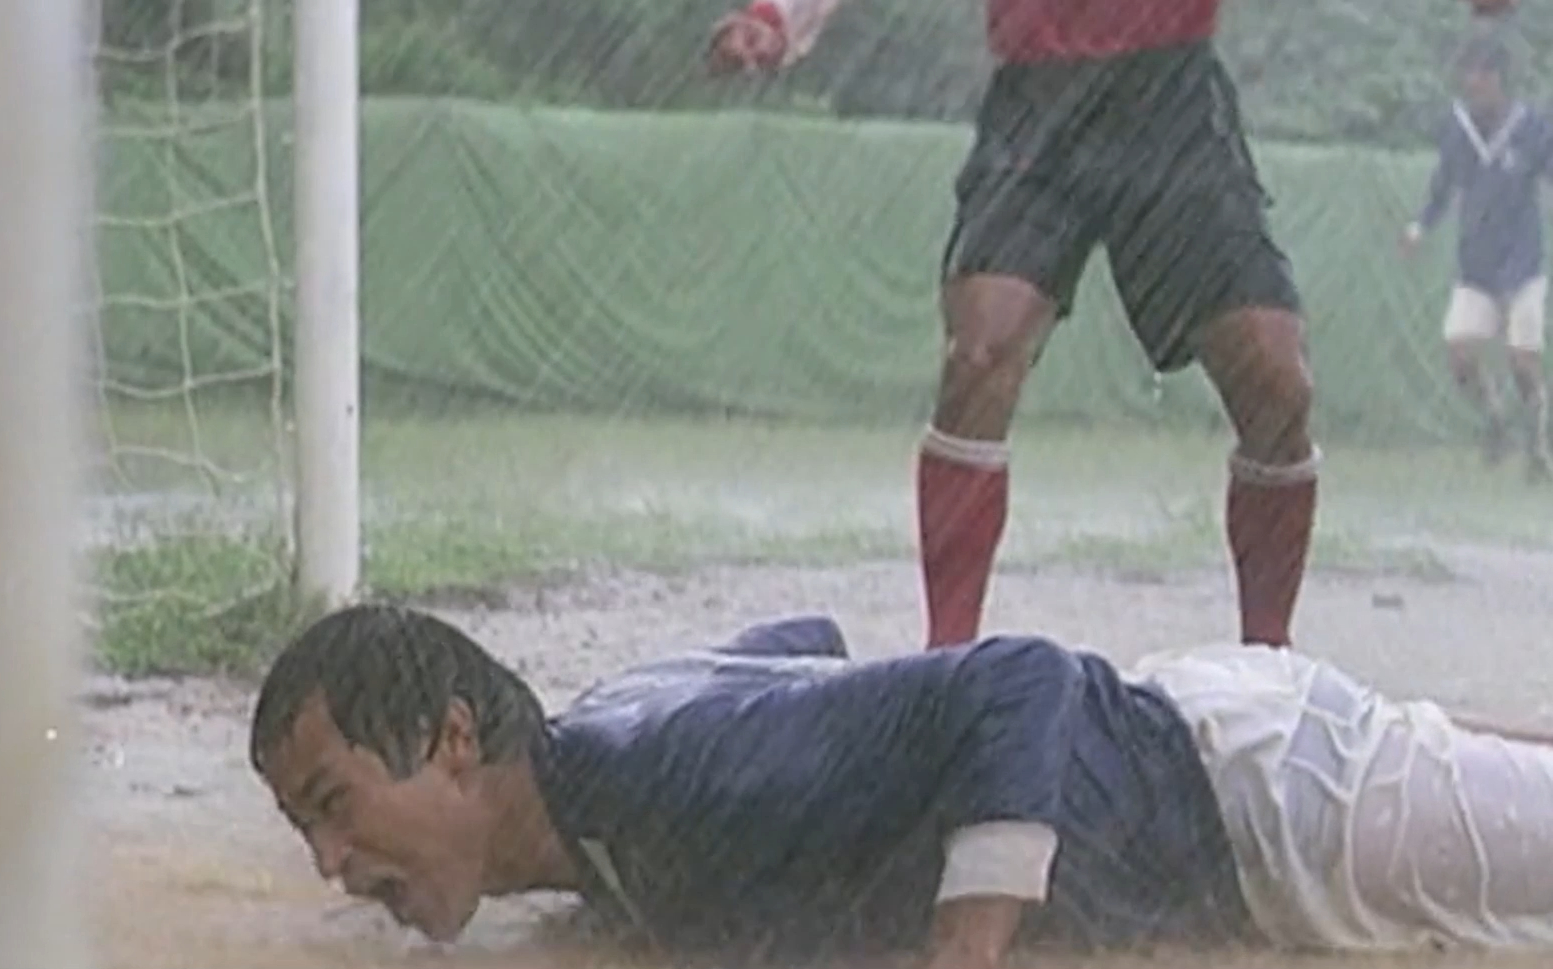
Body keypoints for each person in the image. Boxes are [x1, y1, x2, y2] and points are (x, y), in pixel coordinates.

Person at [251, 604, 1553, 968]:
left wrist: (964, 943)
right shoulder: (602, 775)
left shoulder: (658, 779)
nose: (329, 862)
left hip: (1260, 805)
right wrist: (867, 771)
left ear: (455, 739)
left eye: (334, 802)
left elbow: (1020, 680)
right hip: (1196, 726)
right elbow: (798, 645)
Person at [707, 0, 1336, 649]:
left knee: (1276, 381)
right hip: (1039, 107)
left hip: (1171, 101)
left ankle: (1270, 662)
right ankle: (948, 658)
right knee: (981, 351)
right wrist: (777, 17)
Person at [1400, 36, 1553, 482]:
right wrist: (1419, 228)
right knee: (1460, 356)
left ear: (1499, 79)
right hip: (1477, 263)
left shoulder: (1531, 127)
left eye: (1483, 74)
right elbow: (1442, 187)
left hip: (1522, 261)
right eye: (1469, 74)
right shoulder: (1459, 129)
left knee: (1523, 361)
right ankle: (1496, 419)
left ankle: (1539, 445)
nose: (1474, 83)